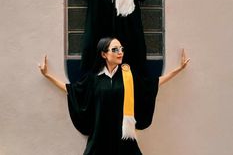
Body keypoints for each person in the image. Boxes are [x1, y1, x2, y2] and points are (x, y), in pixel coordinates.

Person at [38, 37, 190, 155]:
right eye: (115, 49)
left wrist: (178, 69)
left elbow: (151, 85)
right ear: (104, 54)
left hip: (123, 137)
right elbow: (71, 90)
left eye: (121, 49)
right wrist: (47, 76)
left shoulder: (128, 75)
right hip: (100, 136)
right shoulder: (93, 78)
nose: (120, 52)